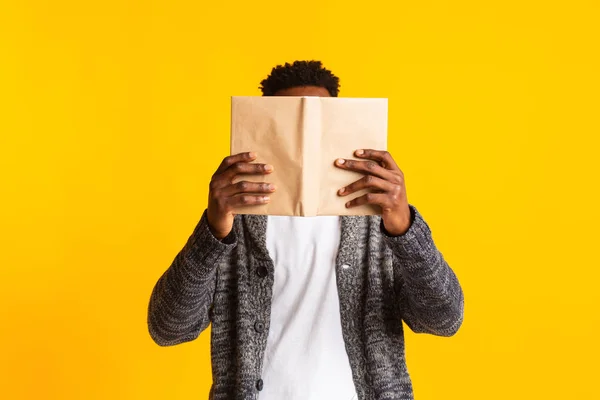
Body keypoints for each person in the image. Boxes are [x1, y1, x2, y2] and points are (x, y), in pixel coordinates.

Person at [148, 60, 464, 400]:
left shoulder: (378, 221)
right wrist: (212, 232)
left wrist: (405, 228)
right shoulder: (232, 222)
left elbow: (443, 319)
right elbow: (168, 329)